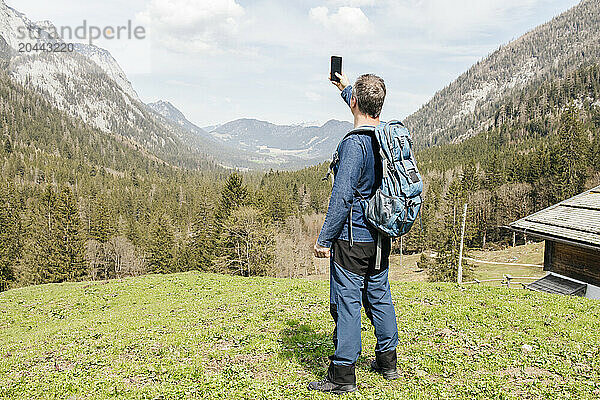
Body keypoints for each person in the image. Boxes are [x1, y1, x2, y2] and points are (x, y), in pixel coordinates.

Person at [309, 72, 399, 394]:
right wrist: (343, 87)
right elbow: (364, 107)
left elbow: (342, 196)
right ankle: (388, 363)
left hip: (352, 239)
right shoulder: (387, 137)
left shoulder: (354, 144)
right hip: (381, 236)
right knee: (379, 294)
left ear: (357, 103)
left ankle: (343, 374)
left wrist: (324, 239)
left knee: (347, 302)